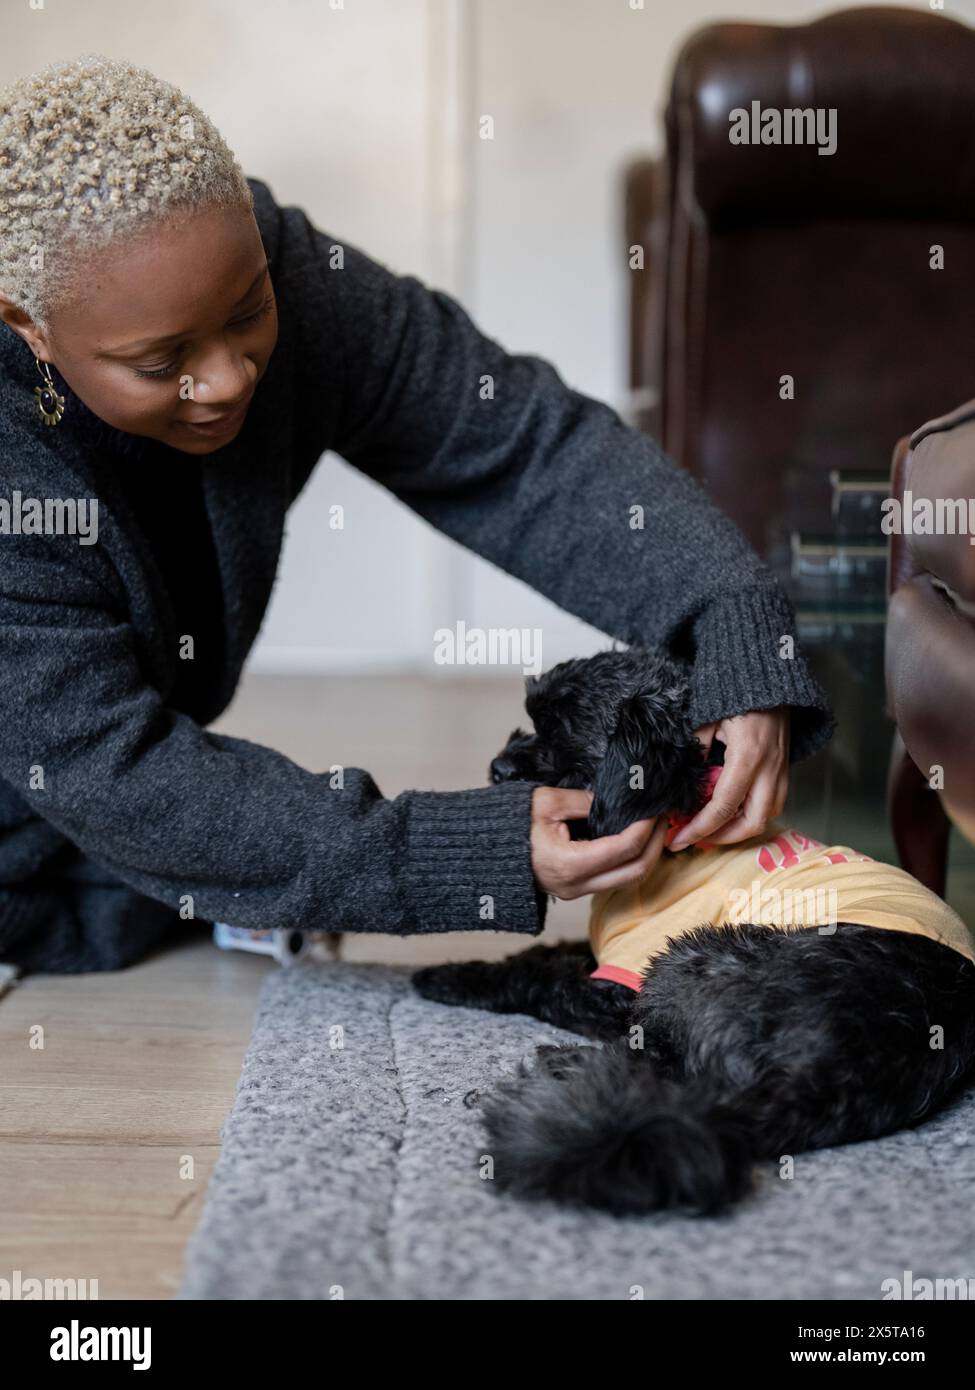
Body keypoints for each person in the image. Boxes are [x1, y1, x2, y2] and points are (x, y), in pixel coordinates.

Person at [0, 53, 832, 973]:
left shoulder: (288, 272)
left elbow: (521, 447)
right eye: (162, 363)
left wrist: (733, 624)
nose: (231, 376)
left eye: (249, 311)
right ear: (25, 325)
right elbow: (117, 770)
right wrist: (460, 852)